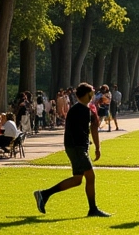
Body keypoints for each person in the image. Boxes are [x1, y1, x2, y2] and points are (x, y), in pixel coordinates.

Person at [33, 82, 110, 217]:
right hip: (78, 148)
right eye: (91, 93)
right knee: (90, 176)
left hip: (75, 147)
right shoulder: (84, 110)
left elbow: (87, 129)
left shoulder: (77, 109)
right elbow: (93, 129)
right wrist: (97, 148)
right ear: (86, 95)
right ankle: (93, 209)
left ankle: (44, 194)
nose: (93, 95)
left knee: (77, 180)